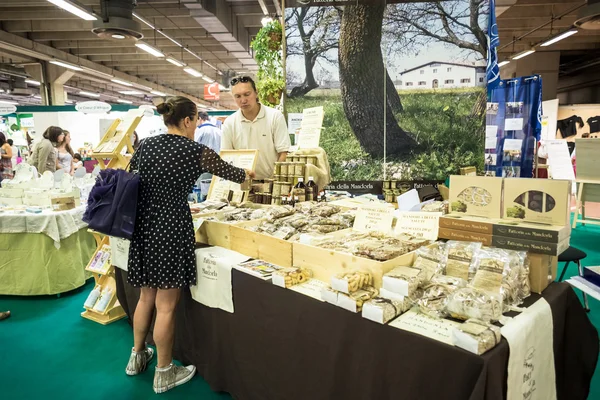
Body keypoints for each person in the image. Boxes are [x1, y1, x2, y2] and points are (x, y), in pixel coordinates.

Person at [125, 96, 255, 394]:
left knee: (146, 296)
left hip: (143, 226)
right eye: (195, 120)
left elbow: (135, 177)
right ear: (187, 121)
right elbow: (235, 175)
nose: (197, 125)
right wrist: (248, 177)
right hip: (172, 227)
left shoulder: (145, 144)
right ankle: (164, 370)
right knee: (166, 305)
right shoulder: (195, 150)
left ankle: (137, 356)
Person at [221, 76, 290, 180]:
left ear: (256, 92)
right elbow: (226, 158)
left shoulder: (275, 117)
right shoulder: (229, 123)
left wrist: (274, 180)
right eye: (238, 96)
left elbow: (284, 153)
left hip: (271, 182)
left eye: (247, 94)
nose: (243, 100)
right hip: (241, 184)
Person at [194, 111, 222, 200]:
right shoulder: (218, 130)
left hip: (202, 166)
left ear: (199, 119)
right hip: (217, 165)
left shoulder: (200, 130)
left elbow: (193, 146)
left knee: (201, 191)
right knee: (213, 190)